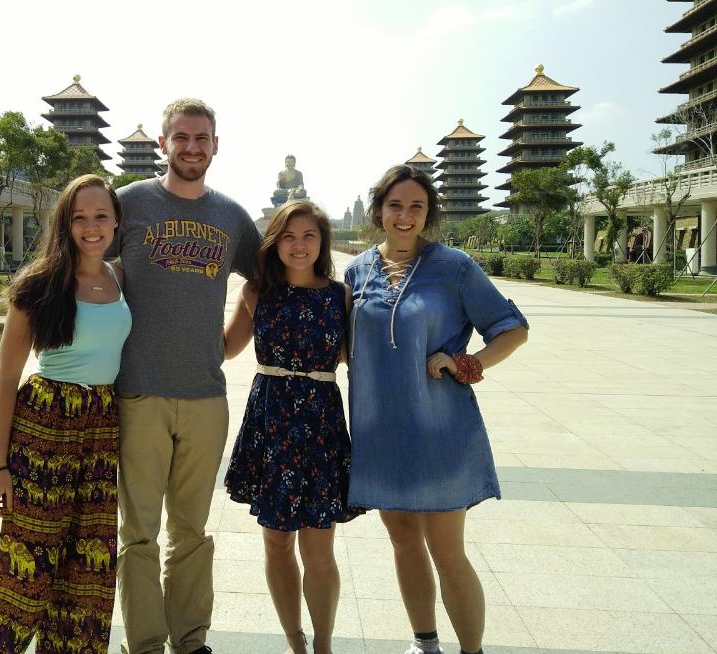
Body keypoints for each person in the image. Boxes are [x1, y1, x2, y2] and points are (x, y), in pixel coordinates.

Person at [344, 165, 528, 654]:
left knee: (448, 552)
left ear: (428, 213)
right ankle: (424, 643)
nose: (405, 216)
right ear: (378, 210)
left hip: (440, 430)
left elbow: (512, 328)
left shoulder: (455, 267)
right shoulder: (357, 270)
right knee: (402, 541)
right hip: (378, 430)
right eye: (395, 206)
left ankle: (472, 651)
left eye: (416, 207)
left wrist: (468, 362)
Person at [113, 98, 262, 654]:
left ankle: (191, 639)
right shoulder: (128, 205)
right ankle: (146, 642)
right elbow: (82, 269)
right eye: (182, 138)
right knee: (139, 532)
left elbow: (263, 283)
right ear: (163, 144)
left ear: (216, 145)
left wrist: (228, 342)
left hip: (204, 396)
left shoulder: (231, 217)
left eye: (202, 138)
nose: (192, 148)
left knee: (192, 531)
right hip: (138, 393)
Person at [0, 174, 131, 654]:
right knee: (24, 578)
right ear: (65, 223)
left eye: (101, 215)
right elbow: (5, 380)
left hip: (100, 433)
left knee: (87, 580)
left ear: (116, 221)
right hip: (45, 430)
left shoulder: (120, 276)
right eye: (80, 218)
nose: (91, 227)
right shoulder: (39, 283)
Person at [223, 201, 360, 654]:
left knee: (319, 551)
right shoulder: (255, 292)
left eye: (309, 236)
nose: (299, 246)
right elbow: (224, 348)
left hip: (321, 421)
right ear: (274, 241)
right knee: (278, 543)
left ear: (322, 242)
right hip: (271, 420)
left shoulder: (340, 295)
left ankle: (323, 645)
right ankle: (295, 643)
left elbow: (359, 357)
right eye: (288, 236)